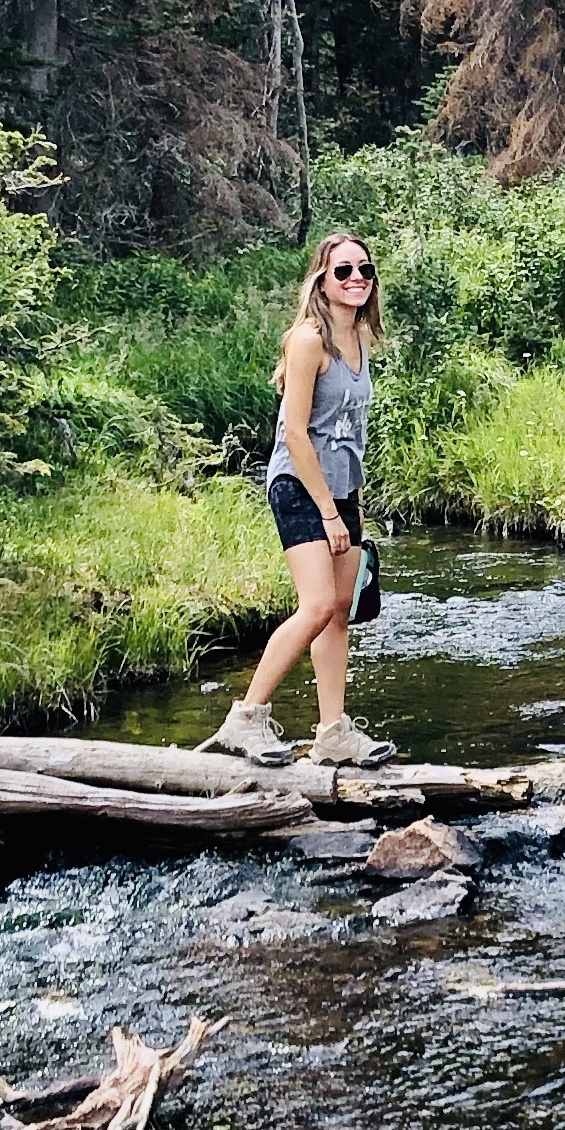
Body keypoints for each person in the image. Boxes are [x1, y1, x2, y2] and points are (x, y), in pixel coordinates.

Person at [210, 231, 396, 764]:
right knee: (315, 606)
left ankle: (333, 732)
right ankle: (245, 718)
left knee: (339, 611)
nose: (356, 278)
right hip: (300, 488)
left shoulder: (360, 336)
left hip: (344, 492)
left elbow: (348, 431)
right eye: (343, 271)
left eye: (364, 269)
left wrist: (352, 506)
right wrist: (330, 513)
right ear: (323, 279)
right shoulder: (308, 339)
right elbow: (294, 433)